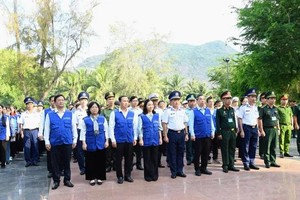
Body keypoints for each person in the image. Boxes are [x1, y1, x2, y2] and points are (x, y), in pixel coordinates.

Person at [44, 94, 77, 190]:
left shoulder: (70, 114)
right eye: (58, 100)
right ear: (54, 102)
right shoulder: (50, 115)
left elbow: (73, 128)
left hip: (67, 141)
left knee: (67, 161)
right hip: (54, 142)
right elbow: (47, 129)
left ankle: (67, 179)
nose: (61, 102)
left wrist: (74, 140)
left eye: (62, 100)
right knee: (55, 163)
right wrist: (47, 141)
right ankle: (56, 180)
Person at [109, 95, 138, 184]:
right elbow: (111, 127)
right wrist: (113, 139)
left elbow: (134, 127)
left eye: (127, 101)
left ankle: (127, 175)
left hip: (129, 139)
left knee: (129, 159)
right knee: (118, 159)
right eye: (123, 101)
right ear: (120, 102)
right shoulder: (114, 113)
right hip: (119, 140)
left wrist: (135, 138)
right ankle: (120, 176)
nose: (125, 103)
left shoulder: (132, 113)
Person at [80, 101, 109, 186]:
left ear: (99, 109)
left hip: (100, 142)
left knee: (100, 160)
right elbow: (83, 132)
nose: (94, 109)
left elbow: (106, 130)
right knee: (90, 160)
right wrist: (83, 143)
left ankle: (100, 177)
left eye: (96, 107)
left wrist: (107, 140)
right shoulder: (85, 120)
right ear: (89, 109)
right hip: (90, 142)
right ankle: (91, 177)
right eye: (92, 107)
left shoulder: (102, 119)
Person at [162, 91, 189, 179]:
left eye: (177, 100)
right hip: (172, 133)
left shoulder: (183, 111)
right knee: (172, 153)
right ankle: (173, 171)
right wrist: (165, 136)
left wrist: (186, 134)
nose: (176, 102)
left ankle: (180, 170)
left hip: (181, 133)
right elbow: (164, 124)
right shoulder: (167, 111)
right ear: (170, 101)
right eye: (174, 100)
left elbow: (185, 123)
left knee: (181, 153)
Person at [189, 94, 215, 176]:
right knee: (197, 153)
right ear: (197, 101)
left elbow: (211, 122)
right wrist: (192, 134)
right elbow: (191, 124)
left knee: (206, 153)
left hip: (207, 135)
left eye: (203, 99)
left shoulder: (208, 111)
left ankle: (204, 168)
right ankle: (197, 169)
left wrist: (213, 131)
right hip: (198, 136)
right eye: (200, 99)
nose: (202, 101)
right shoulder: (193, 111)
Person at [138, 99, 162, 181]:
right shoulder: (141, 116)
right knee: (147, 158)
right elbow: (140, 129)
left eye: (152, 105)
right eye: (149, 105)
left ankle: (154, 175)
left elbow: (159, 128)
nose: (151, 106)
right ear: (145, 106)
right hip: (146, 139)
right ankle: (148, 176)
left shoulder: (157, 116)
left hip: (155, 139)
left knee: (155, 158)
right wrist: (141, 139)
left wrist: (160, 138)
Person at [216, 91, 240, 173]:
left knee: (232, 148)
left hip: (232, 131)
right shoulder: (219, 111)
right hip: (224, 132)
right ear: (223, 100)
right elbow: (217, 123)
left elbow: (234, 120)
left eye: (230, 98)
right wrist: (219, 133)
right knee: (225, 149)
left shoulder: (232, 110)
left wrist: (236, 130)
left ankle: (231, 165)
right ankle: (225, 165)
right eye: (227, 98)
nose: (229, 100)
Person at [237, 88, 260, 171]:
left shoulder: (255, 107)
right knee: (245, 146)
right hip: (246, 128)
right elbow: (240, 119)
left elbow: (257, 118)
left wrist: (258, 129)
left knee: (253, 146)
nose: (254, 98)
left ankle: (252, 162)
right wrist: (241, 130)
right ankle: (246, 163)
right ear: (248, 97)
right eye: (252, 96)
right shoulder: (243, 107)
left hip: (254, 128)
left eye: (255, 96)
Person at [258, 91, 280, 168]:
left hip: (274, 129)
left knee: (274, 146)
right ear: (267, 100)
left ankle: (273, 161)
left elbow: (277, 119)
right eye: (271, 98)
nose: (273, 100)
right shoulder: (263, 109)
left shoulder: (276, 108)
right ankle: (267, 161)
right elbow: (260, 120)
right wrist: (261, 130)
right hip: (267, 129)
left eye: (274, 98)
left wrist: (278, 128)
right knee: (267, 146)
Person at [19, 97, 41, 167]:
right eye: (27, 104)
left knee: (35, 146)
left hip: (35, 131)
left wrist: (40, 133)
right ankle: (28, 161)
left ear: (33, 105)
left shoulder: (37, 114)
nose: (29, 105)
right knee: (27, 147)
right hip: (26, 131)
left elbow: (40, 124)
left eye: (30, 104)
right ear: (26, 105)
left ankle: (35, 160)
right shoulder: (23, 114)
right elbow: (21, 124)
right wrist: (22, 133)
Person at [38, 95, 56, 178]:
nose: (53, 102)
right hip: (48, 135)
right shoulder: (45, 111)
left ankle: (60, 169)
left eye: (54, 100)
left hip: (58, 135)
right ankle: (51, 170)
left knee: (59, 153)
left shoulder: (60, 111)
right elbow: (42, 123)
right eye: (52, 101)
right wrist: (40, 133)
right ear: (50, 102)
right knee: (50, 153)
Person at [74, 91, 89, 175]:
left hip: (89, 132)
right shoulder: (76, 112)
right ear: (79, 101)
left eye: (85, 100)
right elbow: (75, 125)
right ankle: (82, 168)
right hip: (79, 132)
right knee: (80, 152)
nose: (83, 102)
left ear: (87, 101)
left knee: (90, 150)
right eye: (81, 100)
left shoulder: (90, 110)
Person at [101, 91, 116, 173]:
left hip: (115, 132)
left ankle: (115, 165)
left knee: (116, 150)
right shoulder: (103, 111)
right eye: (109, 99)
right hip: (107, 133)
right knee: (108, 150)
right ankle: (108, 165)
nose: (111, 100)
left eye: (112, 99)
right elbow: (101, 121)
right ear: (106, 100)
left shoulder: (117, 110)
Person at [129, 96, 143, 170]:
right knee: (130, 151)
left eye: (136, 101)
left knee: (139, 151)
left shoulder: (140, 111)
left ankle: (139, 164)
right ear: (130, 102)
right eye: (133, 101)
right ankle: (130, 165)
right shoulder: (128, 110)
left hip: (139, 133)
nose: (135, 102)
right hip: (130, 134)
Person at [185, 94, 197, 165]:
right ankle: (189, 159)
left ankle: (195, 158)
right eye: (190, 101)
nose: (192, 103)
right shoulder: (185, 111)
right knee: (189, 145)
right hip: (188, 128)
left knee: (196, 145)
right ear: (188, 102)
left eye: (193, 101)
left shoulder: (196, 110)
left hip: (196, 128)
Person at [258, 92, 267, 159]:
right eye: (262, 98)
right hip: (261, 126)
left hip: (268, 126)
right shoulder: (259, 108)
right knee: (262, 141)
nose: (264, 99)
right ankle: (262, 153)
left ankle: (267, 153)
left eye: (265, 98)